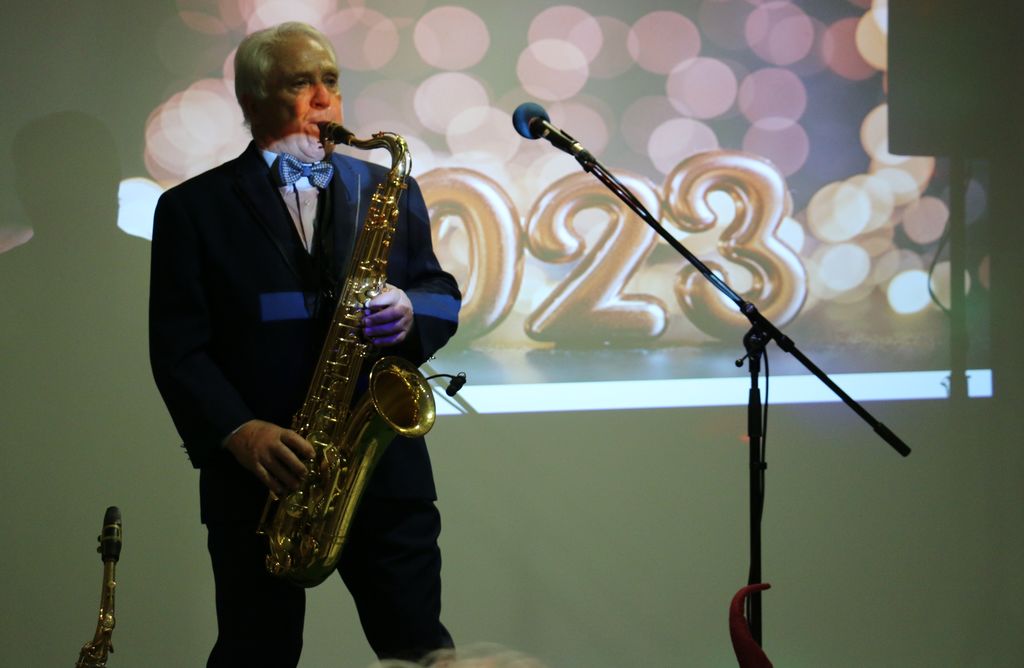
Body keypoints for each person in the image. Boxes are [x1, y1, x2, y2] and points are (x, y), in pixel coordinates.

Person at [148, 21, 461, 667]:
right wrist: (241, 432)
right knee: (254, 653)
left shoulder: (390, 188)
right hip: (260, 480)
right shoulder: (192, 209)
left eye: (331, 81)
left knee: (420, 650)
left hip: (383, 477)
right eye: (300, 83)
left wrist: (411, 311)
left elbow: (440, 292)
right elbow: (178, 350)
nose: (324, 98)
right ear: (253, 99)